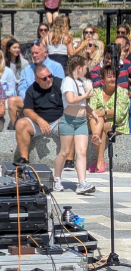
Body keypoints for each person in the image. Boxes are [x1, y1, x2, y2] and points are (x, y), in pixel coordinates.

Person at [51, 56, 97, 194]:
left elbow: (82, 103)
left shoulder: (82, 82)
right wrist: (86, 95)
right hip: (68, 120)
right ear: (79, 68)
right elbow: (71, 99)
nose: (87, 70)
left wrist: (91, 111)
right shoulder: (68, 81)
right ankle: (56, 178)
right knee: (65, 152)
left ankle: (82, 182)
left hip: (81, 121)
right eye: (85, 67)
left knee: (82, 151)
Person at [14, 64, 63, 164]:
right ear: (37, 80)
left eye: (50, 76)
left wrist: (64, 117)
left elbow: (70, 103)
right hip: (38, 123)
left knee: (69, 123)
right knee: (21, 124)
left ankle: (69, 160)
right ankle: (24, 158)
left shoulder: (60, 84)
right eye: (44, 78)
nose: (49, 79)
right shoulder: (31, 90)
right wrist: (39, 120)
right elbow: (27, 110)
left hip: (58, 121)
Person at [9, 43, 65, 126]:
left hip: (52, 101)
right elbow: (22, 88)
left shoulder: (56, 66)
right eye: (32, 53)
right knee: (12, 100)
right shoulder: (27, 69)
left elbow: (60, 87)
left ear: (45, 53)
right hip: (31, 99)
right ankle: (16, 128)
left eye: (37, 53)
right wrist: (30, 99)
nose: (34, 55)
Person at [89, 66, 130, 173]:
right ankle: (97, 138)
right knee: (97, 118)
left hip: (118, 125)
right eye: (109, 77)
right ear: (103, 79)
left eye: (114, 76)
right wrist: (99, 113)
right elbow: (92, 110)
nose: (112, 79)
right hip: (98, 123)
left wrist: (103, 112)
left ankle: (100, 158)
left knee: (99, 118)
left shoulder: (123, 92)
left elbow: (119, 114)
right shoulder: (96, 92)